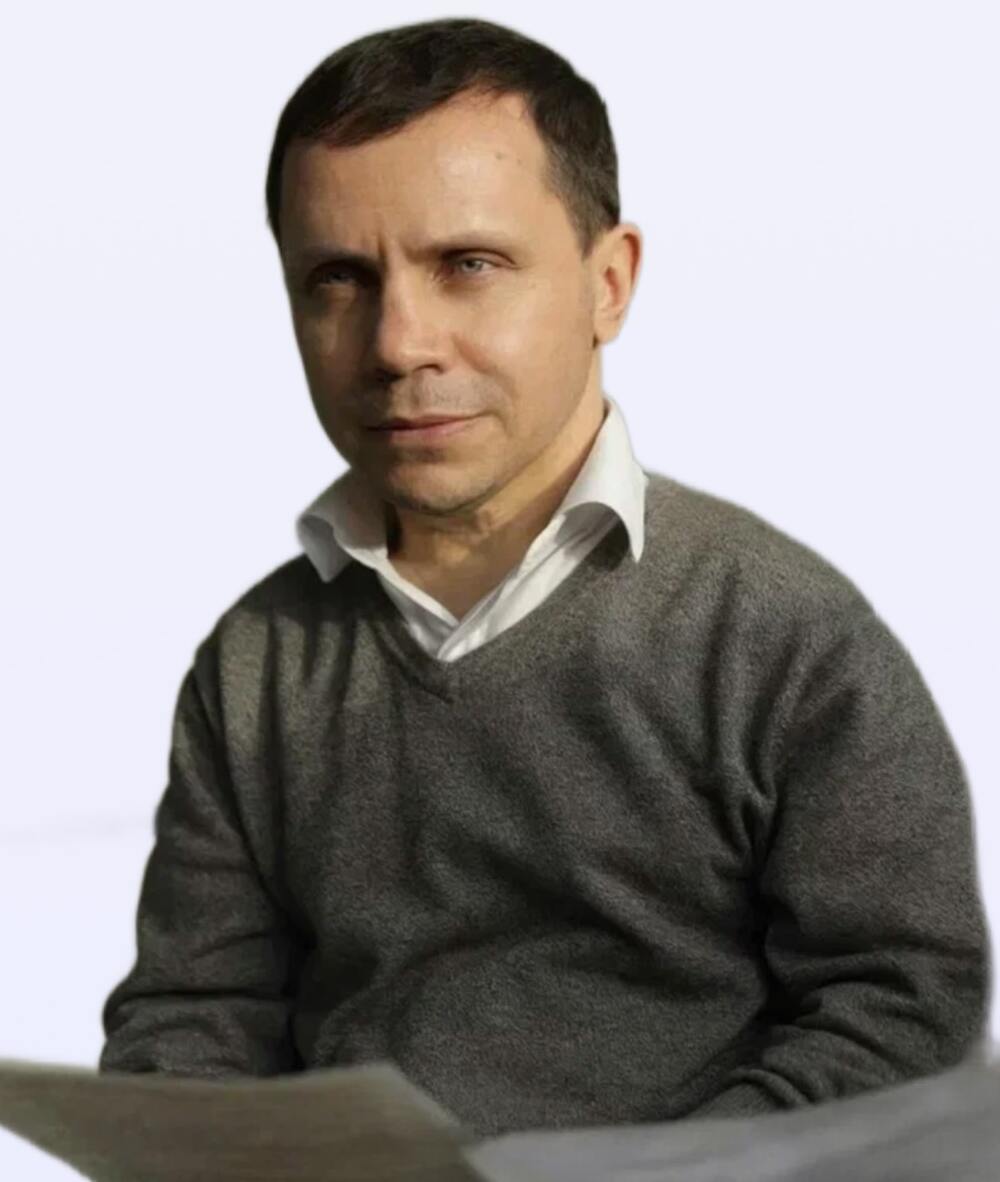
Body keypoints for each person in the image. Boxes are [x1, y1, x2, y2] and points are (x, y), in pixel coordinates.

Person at [97, 17, 990, 1139]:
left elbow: (905, 1013)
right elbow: (192, 1022)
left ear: (608, 282)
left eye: (467, 266)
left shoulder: (780, 633)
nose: (397, 343)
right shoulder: (256, 663)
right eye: (337, 279)